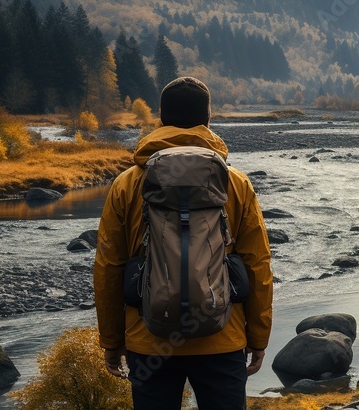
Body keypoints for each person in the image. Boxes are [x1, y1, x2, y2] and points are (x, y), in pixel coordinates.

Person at [94, 77, 273, 410]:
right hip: (222, 337)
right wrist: (258, 337)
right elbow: (258, 264)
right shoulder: (235, 182)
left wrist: (112, 341)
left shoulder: (126, 184)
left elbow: (109, 267)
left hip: (149, 339)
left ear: (161, 119)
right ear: (208, 119)